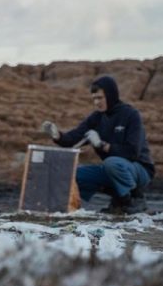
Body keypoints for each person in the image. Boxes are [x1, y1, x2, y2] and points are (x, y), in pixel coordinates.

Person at [41, 75, 153, 214]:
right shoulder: (96, 118)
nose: (96, 102)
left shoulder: (130, 114)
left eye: (100, 98)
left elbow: (132, 152)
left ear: (111, 95)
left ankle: (135, 199)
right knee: (73, 174)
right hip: (114, 169)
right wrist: (57, 134)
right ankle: (119, 198)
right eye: (94, 98)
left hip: (139, 169)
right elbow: (72, 139)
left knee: (112, 163)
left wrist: (102, 145)